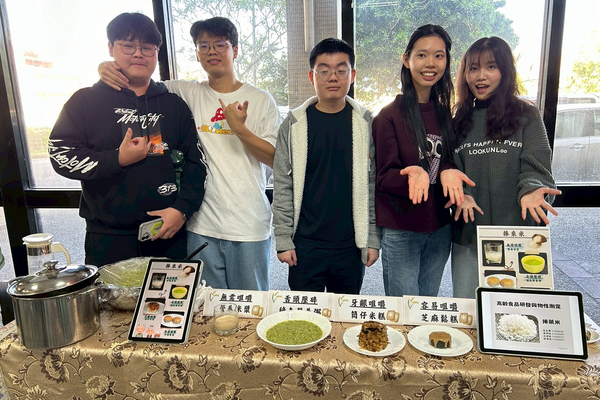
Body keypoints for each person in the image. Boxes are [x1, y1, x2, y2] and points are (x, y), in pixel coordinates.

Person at [99, 17, 281, 290]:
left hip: (249, 225)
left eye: (220, 44)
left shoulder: (260, 99)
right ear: (197, 54)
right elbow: (142, 78)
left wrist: (240, 130)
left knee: (250, 305)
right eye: (203, 46)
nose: (211, 51)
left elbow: (277, 159)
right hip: (201, 227)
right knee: (205, 306)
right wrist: (105, 67)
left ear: (235, 50)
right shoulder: (185, 92)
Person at [48, 12, 207, 267]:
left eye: (147, 48)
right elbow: (61, 155)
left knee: (171, 295)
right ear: (111, 48)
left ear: (157, 52)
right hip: (107, 238)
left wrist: (182, 209)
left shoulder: (173, 104)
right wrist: (117, 159)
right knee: (108, 295)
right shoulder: (85, 101)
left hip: (167, 233)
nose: (138, 54)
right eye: (128, 46)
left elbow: (196, 163)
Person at [451, 36, 561, 298]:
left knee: (518, 311)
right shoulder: (459, 121)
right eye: (473, 68)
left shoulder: (526, 115)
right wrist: (461, 195)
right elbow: (451, 170)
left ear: (505, 70)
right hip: (470, 235)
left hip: (518, 235)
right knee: (470, 308)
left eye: (491, 66)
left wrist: (532, 190)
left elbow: (537, 166)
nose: (481, 76)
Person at [372, 24, 474, 298]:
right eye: (422, 55)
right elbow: (383, 176)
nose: (431, 63)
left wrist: (448, 169)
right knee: (404, 310)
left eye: (439, 55)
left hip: (440, 228)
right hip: (402, 229)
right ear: (406, 59)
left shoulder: (444, 114)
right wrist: (413, 174)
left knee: (427, 306)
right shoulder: (388, 116)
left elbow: (448, 160)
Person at [272, 38, 380, 294]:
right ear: (312, 76)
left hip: (350, 244)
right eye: (324, 70)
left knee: (346, 312)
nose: (333, 77)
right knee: (304, 313)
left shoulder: (367, 124)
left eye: (341, 70)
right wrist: (283, 238)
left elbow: (373, 185)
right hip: (305, 244)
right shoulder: (294, 124)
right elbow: (283, 183)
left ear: (352, 75)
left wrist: (372, 238)